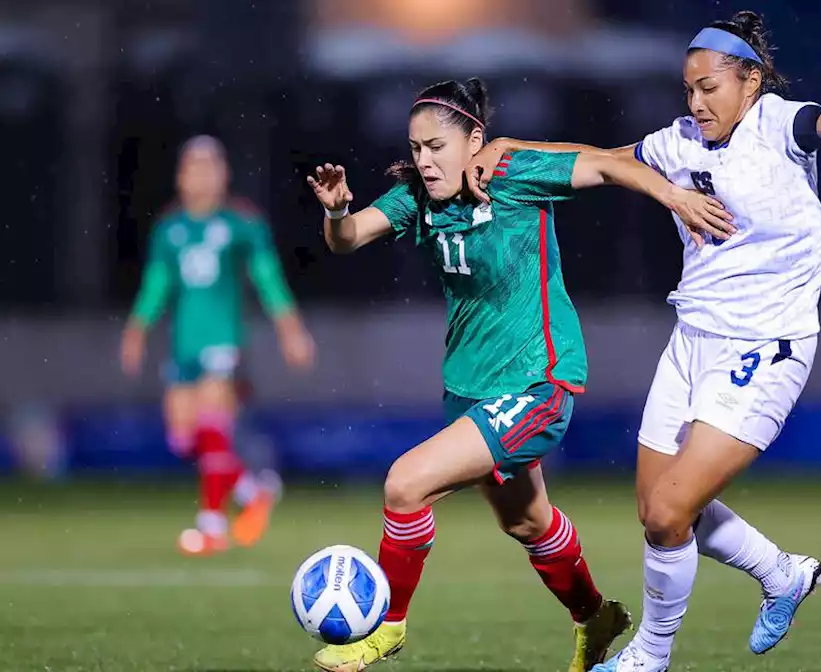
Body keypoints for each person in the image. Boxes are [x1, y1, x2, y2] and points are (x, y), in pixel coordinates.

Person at [466, 11, 821, 671]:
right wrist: (512, 151)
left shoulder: (777, 125)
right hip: (692, 340)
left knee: (672, 510)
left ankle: (653, 653)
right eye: (688, 89)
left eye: (709, 88)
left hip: (765, 345)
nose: (696, 102)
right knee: (656, 509)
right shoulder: (678, 142)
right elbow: (604, 164)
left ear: (750, 83)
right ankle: (782, 574)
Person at [305, 77, 734, 672]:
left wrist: (674, 198)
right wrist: (338, 211)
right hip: (470, 389)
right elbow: (347, 240)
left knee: (405, 484)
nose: (424, 160)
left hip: (537, 383)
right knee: (527, 521)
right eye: (416, 148)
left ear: (473, 140)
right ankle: (595, 616)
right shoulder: (417, 201)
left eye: (436, 146)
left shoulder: (512, 175)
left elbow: (606, 166)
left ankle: (387, 627)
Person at [121, 135, 314, 556]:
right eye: (193, 167)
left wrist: (291, 329)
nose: (202, 176)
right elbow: (157, 284)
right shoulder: (170, 229)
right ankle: (251, 490)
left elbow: (268, 279)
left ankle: (210, 526)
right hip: (183, 347)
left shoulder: (241, 224)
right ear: (180, 176)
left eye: (210, 167)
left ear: (223, 174)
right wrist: (137, 329)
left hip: (224, 344)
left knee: (212, 425)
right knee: (184, 439)